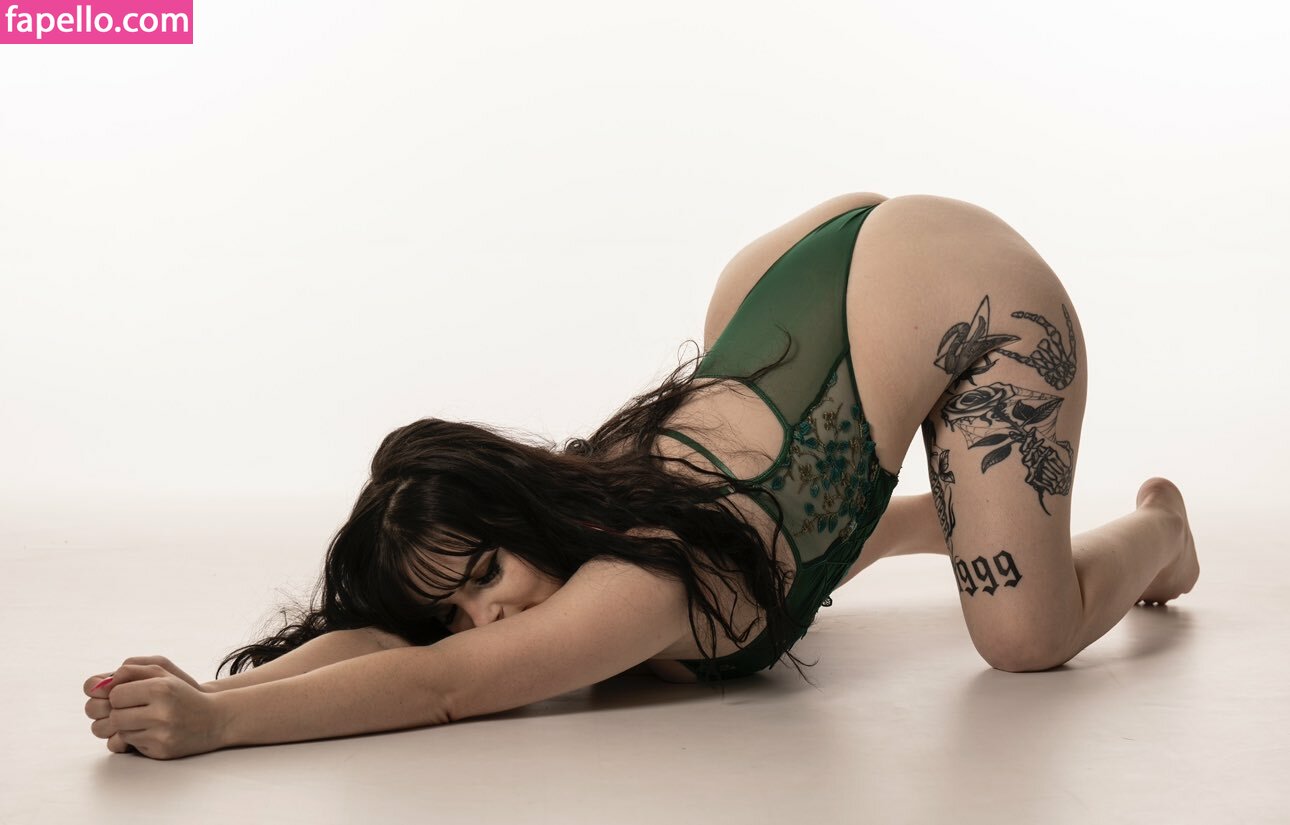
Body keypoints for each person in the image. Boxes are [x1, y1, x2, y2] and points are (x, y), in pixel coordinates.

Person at [82, 192, 1199, 759]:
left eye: (484, 574)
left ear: (517, 515)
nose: (487, 617)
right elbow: (399, 646)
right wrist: (211, 692)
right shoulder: (589, 507)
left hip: (961, 294)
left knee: (1022, 637)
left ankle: (1162, 530)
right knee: (766, 548)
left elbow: (443, 687)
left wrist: (221, 730)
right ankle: (932, 523)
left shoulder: (637, 575)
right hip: (802, 292)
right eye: (457, 608)